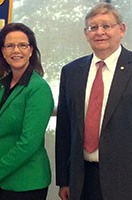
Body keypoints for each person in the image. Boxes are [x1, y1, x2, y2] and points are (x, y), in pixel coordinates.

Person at [55, 2, 132, 200]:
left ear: (121, 29)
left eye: (106, 26)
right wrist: (64, 179)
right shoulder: (71, 72)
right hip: (81, 179)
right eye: (93, 27)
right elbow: (64, 129)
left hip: (125, 179)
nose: (100, 32)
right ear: (86, 33)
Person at [0, 22, 54, 200]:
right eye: (10, 46)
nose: (16, 50)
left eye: (22, 45)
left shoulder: (39, 89)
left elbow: (29, 142)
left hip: (27, 183)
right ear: (3, 52)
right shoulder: (0, 85)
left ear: (31, 50)